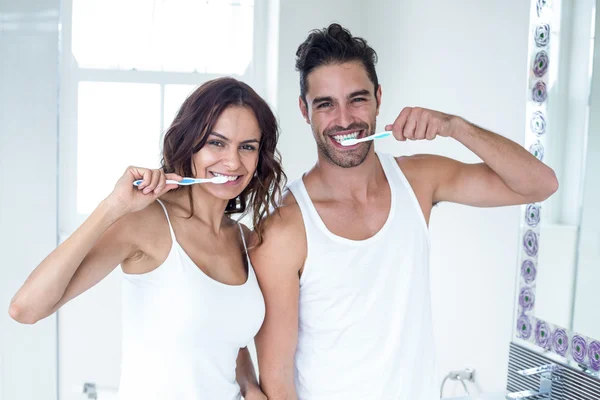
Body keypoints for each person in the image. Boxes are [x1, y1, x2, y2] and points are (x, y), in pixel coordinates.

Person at [251, 24, 558, 400]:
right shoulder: (284, 228)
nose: (344, 119)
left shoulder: (418, 179)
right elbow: (276, 379)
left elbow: (539, 184)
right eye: (326, 104)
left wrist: (454, 126)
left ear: (379, 98)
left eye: (358, 99)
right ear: (305, 110)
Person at [9, 77, 285, 400]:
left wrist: (250, 386)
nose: (234, 161)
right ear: (191, 142)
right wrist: (113, 207)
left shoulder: (246, 241)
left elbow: (226, 339)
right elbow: (25, 309)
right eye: (217, 142)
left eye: (247, 147)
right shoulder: (146, 224)